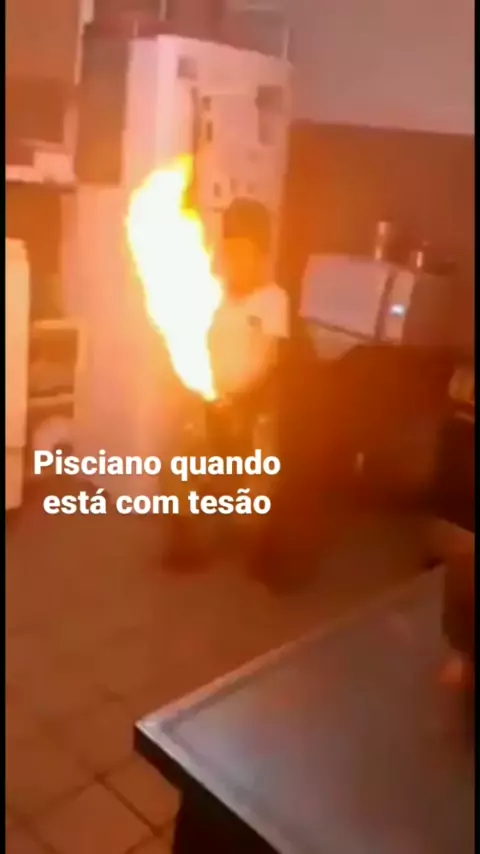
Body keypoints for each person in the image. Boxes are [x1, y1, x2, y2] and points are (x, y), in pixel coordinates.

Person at [207, 197, 290, 454]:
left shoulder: (273, 299)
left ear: (262, 256)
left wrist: (236, 398)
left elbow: (267, 360)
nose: (236, 262)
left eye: (244, 253)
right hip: (212, 408)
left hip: (250, 416)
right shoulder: (213, 294)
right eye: (230, 252)